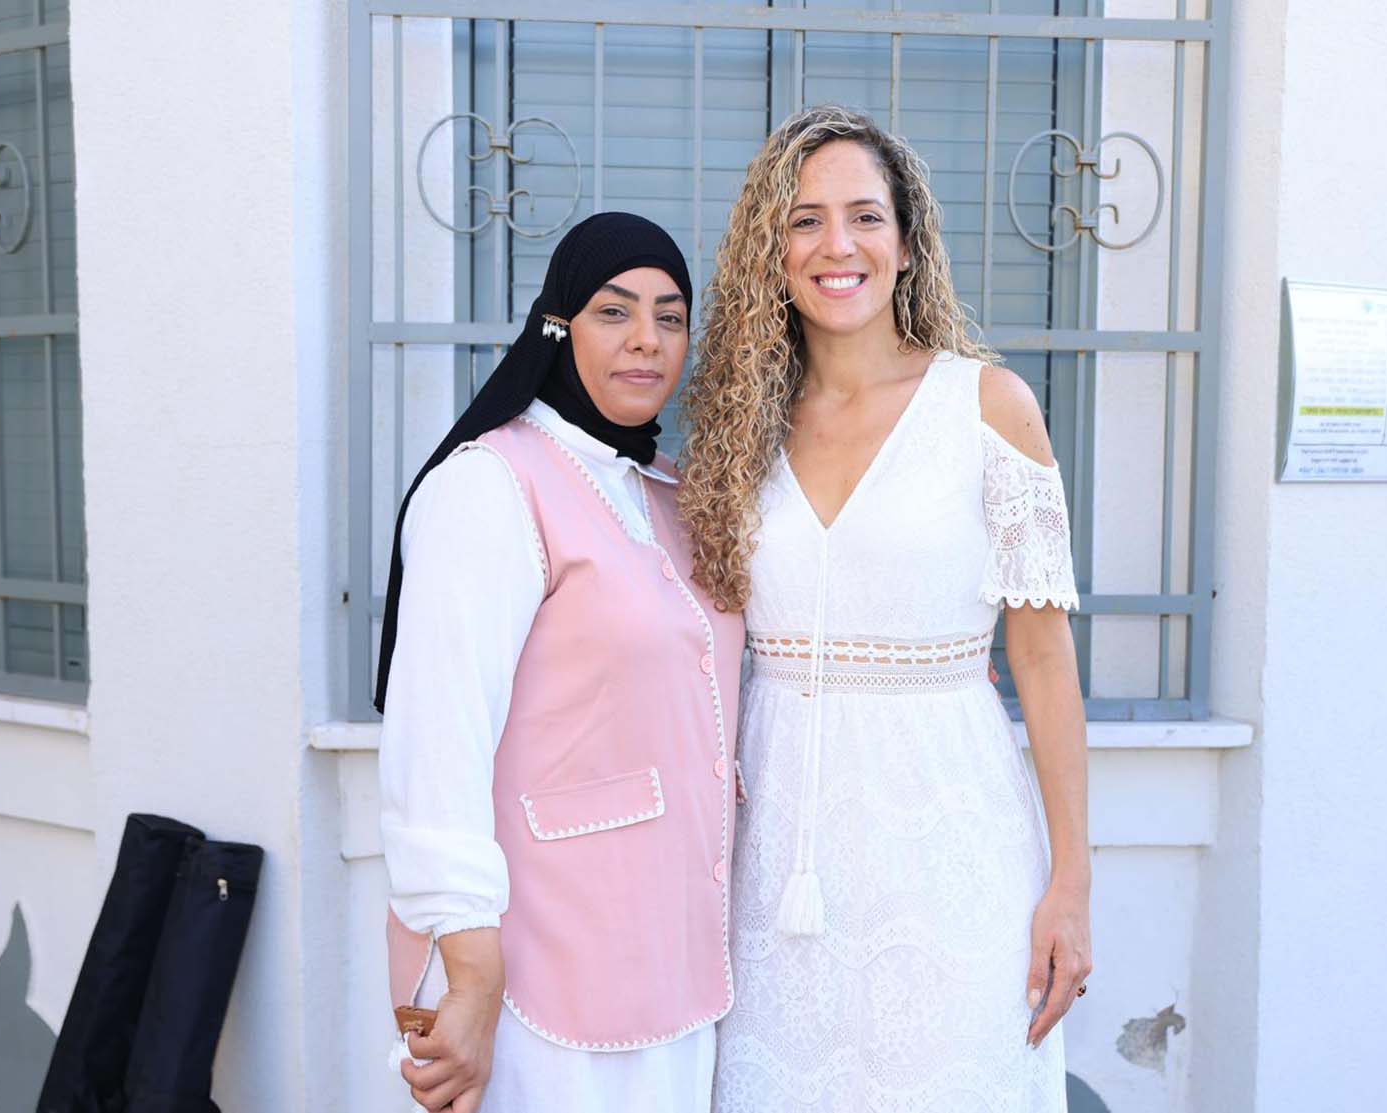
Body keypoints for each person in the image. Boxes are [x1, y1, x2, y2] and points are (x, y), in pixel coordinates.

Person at [679, 106, 1091, 1111]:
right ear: (771, 252)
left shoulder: (987, 407)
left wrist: (1071, 884)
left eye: (864, 216)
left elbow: (1042, 661)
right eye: (804, 220)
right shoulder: (736, 427)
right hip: (774, 862)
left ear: (906, 244)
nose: (838, 245)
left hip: (951, 849)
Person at [374, 212, 743, 1113]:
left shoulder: (670, 492)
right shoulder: (490, 485)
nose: (647, 339)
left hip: (671, 953)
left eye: (670, 316)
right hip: (538, 966)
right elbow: (438, 739)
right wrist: (470, 972)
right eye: (614, 311)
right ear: (557, 326)